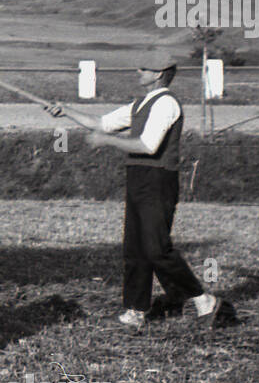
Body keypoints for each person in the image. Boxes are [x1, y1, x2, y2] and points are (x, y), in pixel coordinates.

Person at [45, 50, 221, 330]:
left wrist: (107, 141)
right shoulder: (141, 103)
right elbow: (102, 123)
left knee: (156, 248)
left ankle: (203, 300)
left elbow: (147, 146)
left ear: (159, 73)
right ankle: (136, 310)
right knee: (135, 249)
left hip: (158, 179)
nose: (138, 71)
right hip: (139, 177)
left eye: (144, 68)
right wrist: (66, 110)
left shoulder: (166, 104)